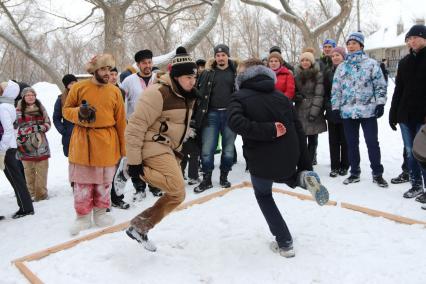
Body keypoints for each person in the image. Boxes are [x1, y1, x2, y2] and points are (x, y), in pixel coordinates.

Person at [227, 58, 329, 258]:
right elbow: (299, 130)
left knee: (264, 195)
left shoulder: (238, 97)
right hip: (288, 154)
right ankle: (301, 178)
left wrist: (270, 130)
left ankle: (285, 242)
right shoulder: (281, 97)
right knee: (283, 173)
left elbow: (235, 122)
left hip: (261, 157)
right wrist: (306, 166)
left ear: (244, 76)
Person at [125, 47, 198, 249]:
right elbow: (134, 128)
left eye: (194, 76)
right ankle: (127, 170)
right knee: (177, 187)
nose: (192, 81)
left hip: (170, 147)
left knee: (177, 195)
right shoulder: (157, 93)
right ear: (175, 76)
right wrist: (134, 163)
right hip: (151, 144)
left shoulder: (187, 93)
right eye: (187, 77)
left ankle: (140, 226)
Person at [63, 53, 126, 235]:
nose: (107, 73)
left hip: (107, 140)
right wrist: (79, 113)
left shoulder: (115, 91)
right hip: (83, 140)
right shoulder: (79, 88)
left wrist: (124, 149)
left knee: (104, 183)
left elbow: (121, 121)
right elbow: (66, 111)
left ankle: (100, 213)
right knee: (82, 183)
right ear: (94, 70)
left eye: (109, 69)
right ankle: (82, 217)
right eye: (103, 69)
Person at [331, 32, 388, 187]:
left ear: (361, 45)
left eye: (354, 43)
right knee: (351, 143)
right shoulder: (341, 67)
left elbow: (380, 85)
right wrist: (335, 108)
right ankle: (354, 172)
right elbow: (336, 89)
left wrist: (380, 103)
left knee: (372, 142)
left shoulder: (371, 64)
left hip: (368, 111)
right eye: (348, 43)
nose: (350, 46)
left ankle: (377, 173)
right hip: (348, 112)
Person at [193, 44, 238, 193]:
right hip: (211, 114)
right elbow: (199, 94)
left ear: (227, 56)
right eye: (217, 55)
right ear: (215, 57)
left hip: (229, 115)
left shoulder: (235, 72)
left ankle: (224, 176)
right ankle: (207, 179)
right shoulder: (208, 72)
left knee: (229, 149)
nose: (220, 58)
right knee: (207, 149)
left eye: (223, 55)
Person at [389, 24, 426, 201]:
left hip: (423, 116)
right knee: (410, 151)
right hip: (405, 115)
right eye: (409, 39)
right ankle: (416, 184)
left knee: (424, 152)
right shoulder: (404, 62)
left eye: (416, 37)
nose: (412, 41)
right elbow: (399, 90)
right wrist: (393, 112)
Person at [121, 49, 162, 199]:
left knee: (152, 156)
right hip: (135, 124)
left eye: (149, 62)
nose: (147, 65)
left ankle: (154, 185)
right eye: (144, 63)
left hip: (154, 124)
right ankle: (139, 187)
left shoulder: (159, 78)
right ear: (138, 64)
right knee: (135, 157)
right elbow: (121, 103)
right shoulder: (128, 81)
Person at [0, 80, 34, 218]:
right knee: (16, 178)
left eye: (2, 88)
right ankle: (26, 206)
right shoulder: (8, 105)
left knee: (15, 179)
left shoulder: (3, 107)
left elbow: (8, 130)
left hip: (6, 148)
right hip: (9, 147)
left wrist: (2, 149)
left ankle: (26, 208)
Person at [16, 87, 51, 202]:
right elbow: (15, 127)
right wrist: (28, 129)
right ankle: (30, 193)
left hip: (41, 144)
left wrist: (40, 127)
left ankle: (41, 194)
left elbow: (48, 123)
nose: (31, 97)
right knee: (28, 172)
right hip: (25, 146)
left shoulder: (41, 108)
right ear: (23, 97)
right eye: (28, 95)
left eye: (33, 95)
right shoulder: (18, 110)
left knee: (42, 171)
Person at [294, 51, 327, 165]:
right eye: (302, 60)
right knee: (301, 138)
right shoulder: (296, 74)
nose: (305, 62)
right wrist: (296, 96)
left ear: (311, 62)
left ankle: (310, 160)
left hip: (314, 109)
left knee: (313, 139)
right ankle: (302, 160)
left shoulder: (318, 75)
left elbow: (319, 94)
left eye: (307, 60)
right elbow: (294, 91)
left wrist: (314, 112)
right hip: (300, 110)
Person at [323, 47, 349, 177]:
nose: (335, 58)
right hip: (332, 110)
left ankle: (345, 165)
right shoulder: (328, 72)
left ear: (343, 56)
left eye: (338, 55)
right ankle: (334, 166)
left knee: (345, 140)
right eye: (333, 56)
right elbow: (326, 92)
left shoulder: (349, 70)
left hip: (346, 111)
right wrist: (328, 106)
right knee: (333, 140)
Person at [108, 67, 130, 210]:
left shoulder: (122, 91)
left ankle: (117, 198)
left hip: (122, 132)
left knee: (119, 168)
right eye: (111, 74)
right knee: (106, 169)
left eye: (116, 74)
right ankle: (103, 201)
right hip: (106, 134)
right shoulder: (101, 92)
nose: (114, 77)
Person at [53, 74, 77, 157]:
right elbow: (56, 118)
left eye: (75, 82)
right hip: (69, 136)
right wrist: (63, 131)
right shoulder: (61, 99)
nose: (74, 85)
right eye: (71, 83)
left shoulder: (83, 96)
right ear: (66, 85)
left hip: (84, 135)